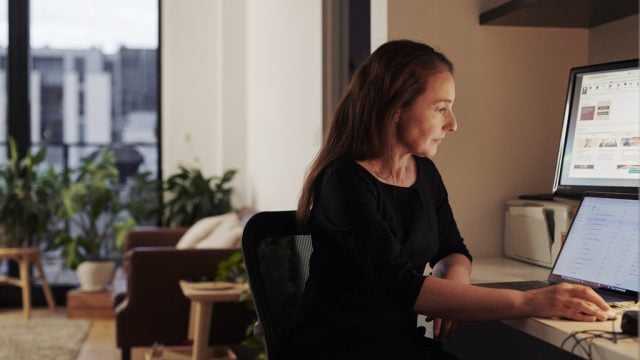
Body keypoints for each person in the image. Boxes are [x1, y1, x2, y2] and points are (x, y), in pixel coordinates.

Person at [287, 40, 610, 359]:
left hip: (398, 345)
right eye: (440, 108)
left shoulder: (424, 172)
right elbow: (400, 286)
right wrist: (528, 301)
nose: (452, 124)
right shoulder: (343, 182)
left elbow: (454, 250)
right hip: (339, 348)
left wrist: (455, 292)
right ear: (395, 109)